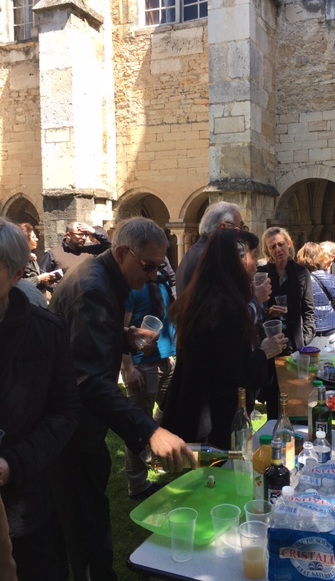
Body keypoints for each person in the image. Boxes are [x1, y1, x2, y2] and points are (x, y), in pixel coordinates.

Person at [48, 218, 195, 581]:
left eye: (158, 267)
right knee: (85, 522)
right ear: (121, 253)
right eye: (146, 266)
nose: (150, 275)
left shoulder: (104, 277)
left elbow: (79, 340)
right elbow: (89, 380)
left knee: (87, 513)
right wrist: (149, 432)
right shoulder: (95, 287)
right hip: (70, 426)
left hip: (77, 421)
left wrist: (122, 337)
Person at [0, 217, 80, 581]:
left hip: (24, 501)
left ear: (16, 275)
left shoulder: (45, 332)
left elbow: (65, 412)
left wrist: (13, 463)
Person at [162, 229, 286, 449]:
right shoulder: (224, 307)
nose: (257, 263)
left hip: (194, 408)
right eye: (253, 255)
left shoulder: (206, 296)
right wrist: (264, 352)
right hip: (215, 421)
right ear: (237, 260)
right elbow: (232, 375)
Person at [121, 264, 177, 499]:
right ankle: (137, 484)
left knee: (166, 412)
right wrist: (128, 368)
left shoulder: (163, 282)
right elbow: (120, 329)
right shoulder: (132, 288)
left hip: (167, 359)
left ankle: (152, 454)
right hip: (141, 364)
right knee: (137, 423)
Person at [258, 227, 315, 353]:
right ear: (267, 251)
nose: (278, 250)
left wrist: (306, 337)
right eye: (272, 247)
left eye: (281, 244)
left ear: (288, 244)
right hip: (269, 341)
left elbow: (309, 309)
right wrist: (268, 312)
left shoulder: (301, 273)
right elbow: (254, 308)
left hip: (295, 342)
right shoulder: (262, 274)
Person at [175, 201, 244, 297]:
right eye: (237, 230)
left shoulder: (194, 251)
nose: (239, 236)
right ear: (223, 227)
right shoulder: (212, 256)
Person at [296, 242, 335, 343]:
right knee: (328, 358)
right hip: (329, 329)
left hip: (307, 330)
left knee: (308, 358)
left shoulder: (297, 279)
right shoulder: (331, 278)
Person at [39, 220, 111, 276]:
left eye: (86, 235)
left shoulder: (89, 250)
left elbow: (109, 246)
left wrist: (94, 232)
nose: (83, 238)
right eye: (80, 234)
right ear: (68, 235)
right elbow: (42, 278)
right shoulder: (53, 254)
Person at [17, 223, 56, 292]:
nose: (37, 239)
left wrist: (44, 281)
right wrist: (39, 278)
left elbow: (36, 284)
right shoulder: (16, 259)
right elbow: (16, 284)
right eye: (33, 237)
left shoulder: (31, 258)